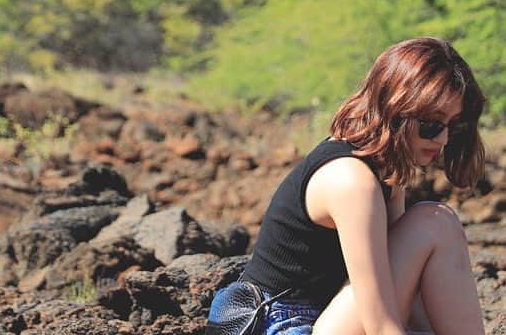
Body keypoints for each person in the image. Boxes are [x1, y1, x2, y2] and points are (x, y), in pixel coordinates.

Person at [207, 37, 487, 335]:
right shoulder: (353, 182)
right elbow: (380, 325)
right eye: (432, 124)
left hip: (321, 316)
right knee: (435, 223)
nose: (443, 139)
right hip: (281, 323)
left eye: (455, 126)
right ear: (395, 110)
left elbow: (406, 291)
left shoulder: (385, 170)